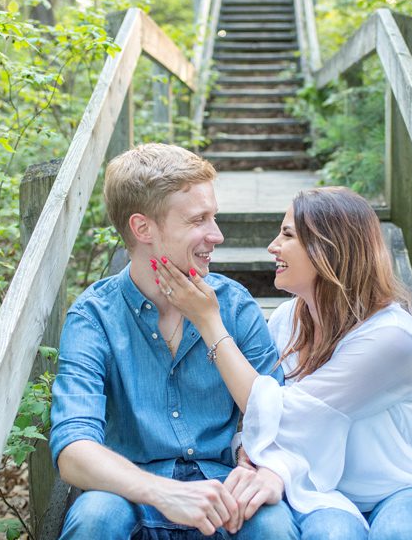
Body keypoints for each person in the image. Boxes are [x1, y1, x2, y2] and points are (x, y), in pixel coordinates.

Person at [154, 186, 412, 540]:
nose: (272, 246)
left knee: (398, 531)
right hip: (322, 491)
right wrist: (250, 451)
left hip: (409, 489)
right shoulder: (288, 318)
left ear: (328, 248)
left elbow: (285, 413)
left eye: (287, 235)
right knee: (331, 534)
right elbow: (267, 421)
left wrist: (209, 322)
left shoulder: (391, 338)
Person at [49, 143, 299, 540]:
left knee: (275, 525)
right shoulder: (94, 316)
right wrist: (163, 493)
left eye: (213, 217)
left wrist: (259, 472)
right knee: (95, 516)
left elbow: (281, 419)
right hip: (131, 490)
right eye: (198, 220)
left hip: (225, 488)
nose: (216, 235)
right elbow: (73, 449)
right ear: (143, 228)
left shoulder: (234, 305)